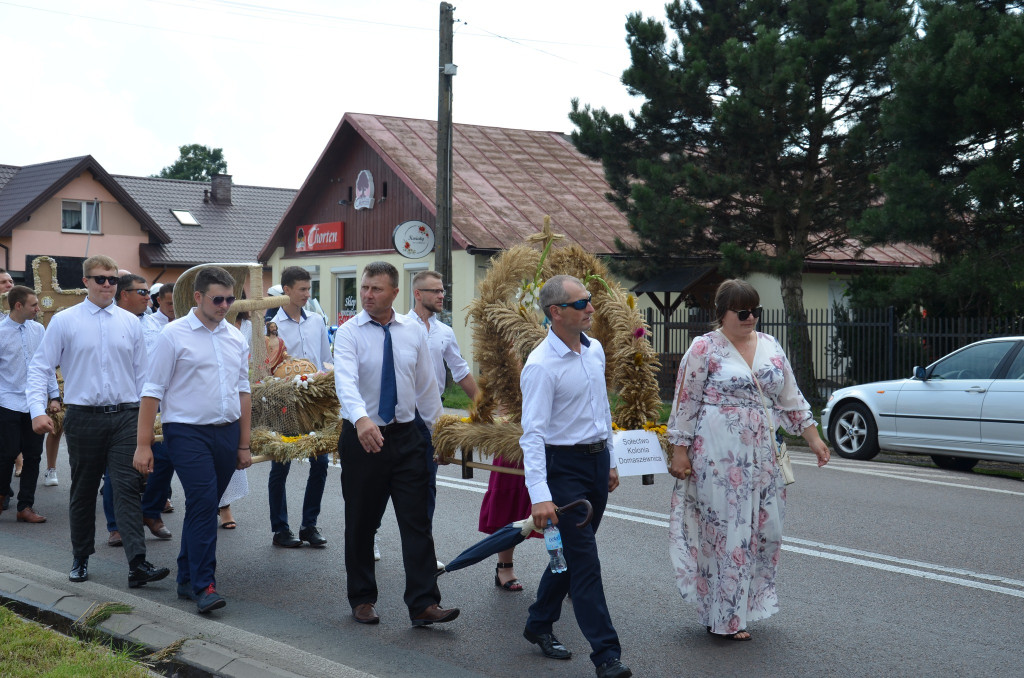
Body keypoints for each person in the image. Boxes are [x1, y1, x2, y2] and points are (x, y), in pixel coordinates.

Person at [666, 279, 830, 641]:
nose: (751, 317)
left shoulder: (770, 345)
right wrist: (679, 450)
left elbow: (791, 397)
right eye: (742, 312)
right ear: (721, 313)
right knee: (726, 532)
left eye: (756, 310)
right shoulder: (703, 348)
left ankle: (740, 606)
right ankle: (725, 616)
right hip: (717, 456)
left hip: (763, 457)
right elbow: (685, 401)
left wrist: (814, 440)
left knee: (763, 532)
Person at [27, 255, 169, 588]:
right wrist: (37, 410)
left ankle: (137, 563)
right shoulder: (65, 321)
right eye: (100, 279)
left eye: (112, 280)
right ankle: (80, 556)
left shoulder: (131, 322)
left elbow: (144, 375)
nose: (107, 285)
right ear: (86, 282)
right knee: (84, 490)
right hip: (83, 417)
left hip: (125, 416)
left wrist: (153, 419)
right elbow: (40, 367)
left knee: (127, 489)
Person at [333, 261, 457, 627]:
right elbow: (345, 381)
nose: (367, 296)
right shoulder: (349, 333)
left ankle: (423, 604)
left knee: (417, 522)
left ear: (395, 293)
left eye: (376, 289)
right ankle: (362, 598)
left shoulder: (412, 332)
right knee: (361, 521)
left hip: (407, 436)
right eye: (364, 288)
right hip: (363, 438)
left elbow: (426, 388)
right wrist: (360, 418)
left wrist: (440, 434)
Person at [520, 274, 631, 678]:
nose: (591, 308)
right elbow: (531, 435)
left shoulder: (594, 349)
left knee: (569, 556)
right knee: (586, 563)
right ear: (555, 312)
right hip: (562, 469)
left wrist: (611, 459)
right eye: (581, 302)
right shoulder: (540, 366)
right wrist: (539, 495)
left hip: (596, 463)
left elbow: (601, 409)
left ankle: (537, 623)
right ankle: (607, 656)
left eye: (590, 300)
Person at [133, 266, 252, 614]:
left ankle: (186, 578)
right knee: (203, 503)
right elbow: (152, 392)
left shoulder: (235, 336)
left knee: (204, 504)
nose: (225, 305)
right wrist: (143, 445)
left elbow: (243, 391)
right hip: (186, 432)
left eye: (231, 299)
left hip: (227, 432)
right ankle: (205, 585)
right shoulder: (173, 334)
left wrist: (243, 444)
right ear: (198, 297)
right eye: (218, 299)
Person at [267, 266, 333, 549]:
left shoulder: (316, 320)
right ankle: (281, 529)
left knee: (321, 463)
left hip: (315, 400)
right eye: (302, 289)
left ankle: (309, 525)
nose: (308, 294)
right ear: (286, 290)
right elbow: (265, 368)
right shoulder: (271, 325)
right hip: (285, 401)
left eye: (309, 289)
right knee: (280, 464)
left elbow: (325, 359)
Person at [0, 286, 58, 523]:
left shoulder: (38, 329)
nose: (38, 308)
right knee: (6, 453)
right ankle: (2, 497)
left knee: (33, 455)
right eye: (34, 304)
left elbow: (47, 365)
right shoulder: (1, 331)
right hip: (6, 401)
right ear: (18, 306)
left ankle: (25, 507)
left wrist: (54, 396)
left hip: (34, 404)